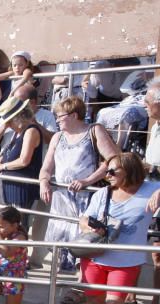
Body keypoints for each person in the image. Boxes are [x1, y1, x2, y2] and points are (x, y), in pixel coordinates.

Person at [79, 153, 160, 304]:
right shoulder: (103, 194)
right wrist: (89, 228)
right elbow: (84, 219)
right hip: (95, 256)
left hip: (126, 261)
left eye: (114, 171)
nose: (108, 175)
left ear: (130, 170)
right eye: (107, 171)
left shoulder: (149, 189)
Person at [40, 95, 119, 283]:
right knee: (61, 243)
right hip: (62, 198)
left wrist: (87, 180)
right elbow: (47, 166)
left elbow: (113, 160)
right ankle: (62, 284)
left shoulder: (94, 131)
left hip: (86, 197)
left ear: (74, 115)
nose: (57, 119)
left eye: (60, 116)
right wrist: (44, 181)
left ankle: (81, 285)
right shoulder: (57, 137)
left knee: (84, 242)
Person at [127, 78, 160, 304]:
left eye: (148, 101)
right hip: (149, 190)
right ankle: (131, 299)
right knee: (138, 245)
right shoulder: (156, 126)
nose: (145, 105)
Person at [0, 96, 44, 221]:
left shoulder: (31, 131)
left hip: (22, 187)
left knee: (17, 224)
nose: (8, 125)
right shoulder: (18, 133)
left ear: (19, 117)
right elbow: (8, 154)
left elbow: (24, 160)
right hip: (10, 184)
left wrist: (2, 166)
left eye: (9, 121)